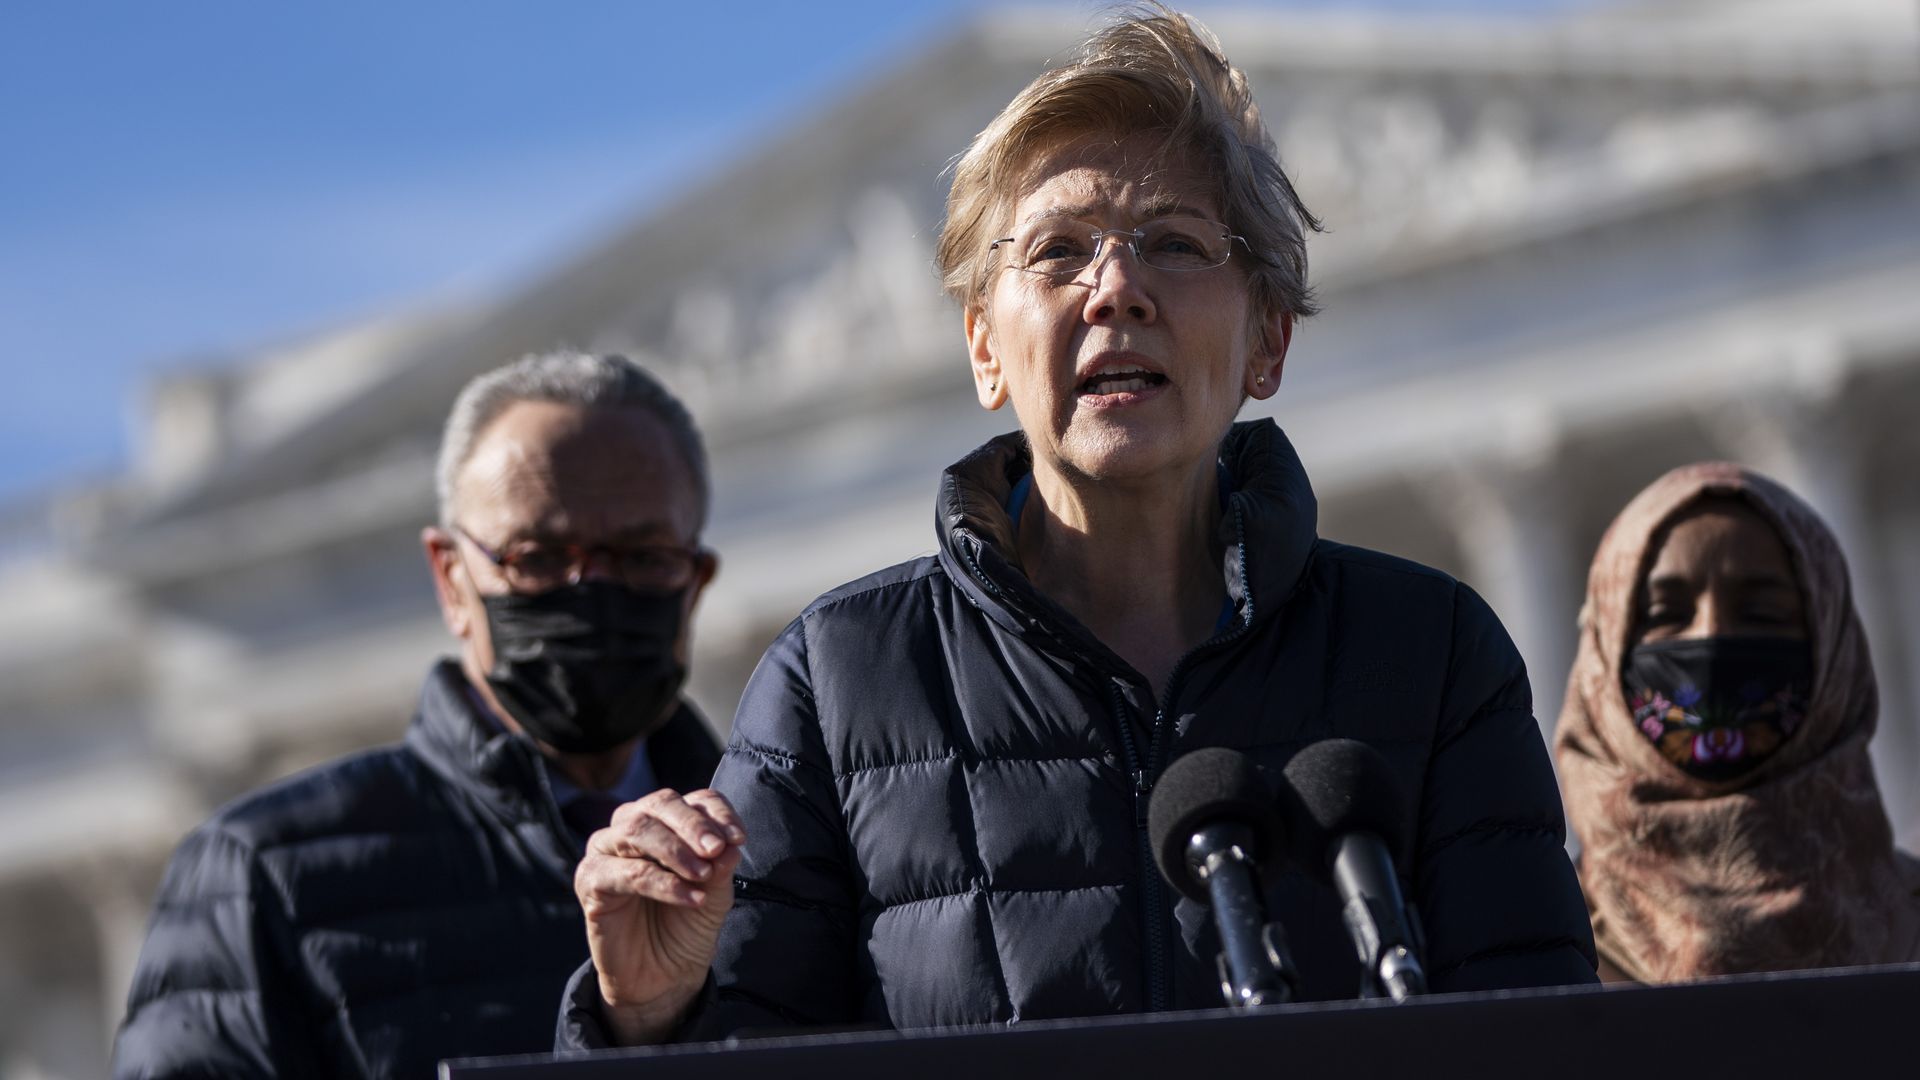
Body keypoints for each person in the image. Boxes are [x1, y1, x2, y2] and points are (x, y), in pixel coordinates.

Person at [560, 5, 1595, 1048]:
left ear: (1266, 344)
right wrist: (643, 1019)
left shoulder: (1432, 654)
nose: (1117, 289)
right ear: (985, 350)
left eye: (1177, 243)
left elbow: (1551, 1044)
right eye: (1058, 252)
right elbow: (752, 1044)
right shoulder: (834, 685)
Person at [114, 351, 723, 1078]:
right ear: (451, 579)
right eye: (537, 556)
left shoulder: (790, 849)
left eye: (643, 556)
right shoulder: (264, 871)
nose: (589, 591)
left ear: (695, 581)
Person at [1553, 462, 1920, 983]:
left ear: (1833, 648)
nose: (1714, 634)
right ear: (1604, 651)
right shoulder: (1531, 946)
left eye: (1764, 613)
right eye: (1666, 614)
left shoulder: (1909, 925)